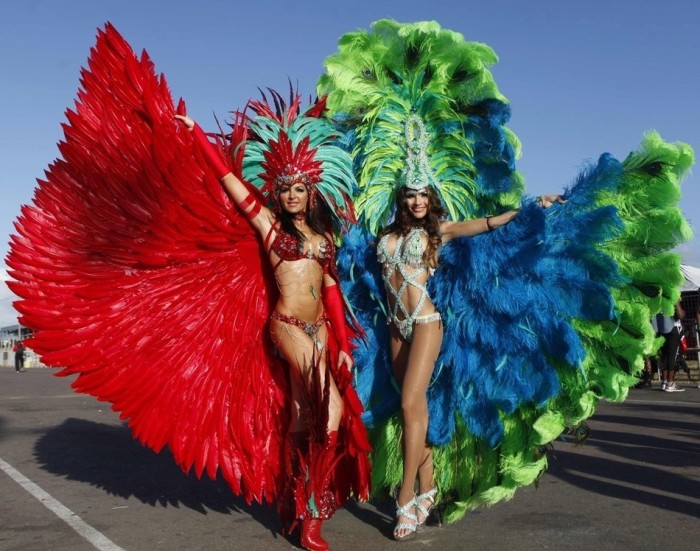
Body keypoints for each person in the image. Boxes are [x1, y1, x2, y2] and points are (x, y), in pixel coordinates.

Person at [175, 101, 370, 551]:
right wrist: (198, 134)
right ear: (277, 195)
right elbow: (230, 183)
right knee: (333, 409)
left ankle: (291, 500)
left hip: (321, 329)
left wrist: (340, 343)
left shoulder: (325, 241)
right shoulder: (268, 227)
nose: (291, 197)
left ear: (311, 193)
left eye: (298, 190)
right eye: (284, 191)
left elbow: (332, 293)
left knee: (303, 413)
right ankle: (314, 514)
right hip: (285, 326)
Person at [376, 185, 562, 540]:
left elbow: (488, 224)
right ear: (401, 199)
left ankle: (405, 496)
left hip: (425, 323)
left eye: (423, 195)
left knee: (409, 403)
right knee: (414, 411)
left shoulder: (438, 230)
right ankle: (428, 488)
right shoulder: (386, 234)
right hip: (395, 328)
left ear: (431, 200)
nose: (417, 202)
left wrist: (534, 206)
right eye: (410, 195)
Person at [652, 300, 686, 392]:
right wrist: (683, 312)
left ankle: (664, 381)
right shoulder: (673, 296)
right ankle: (670, 383)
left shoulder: (657, 297)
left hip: (660, 328)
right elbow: (679, 314)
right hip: (673, 327)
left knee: (665, 355)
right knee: (672, 355)